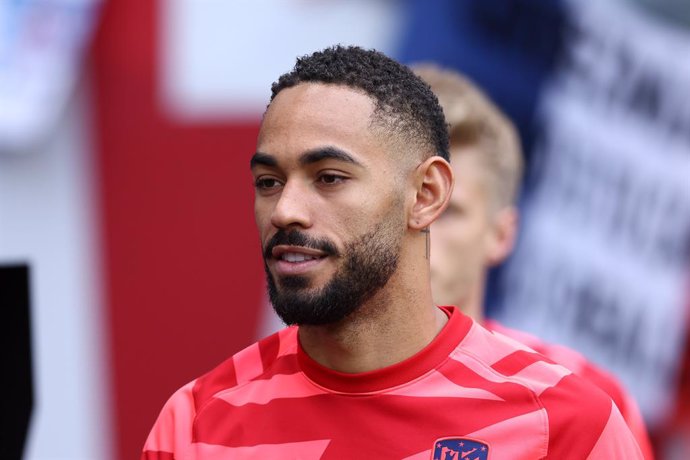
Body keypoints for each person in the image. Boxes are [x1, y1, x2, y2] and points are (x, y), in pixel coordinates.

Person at [141, 45, 642, 459]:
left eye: (329, 178)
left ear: (426, 196)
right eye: (268, 182)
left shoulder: (565, 420)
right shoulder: (196, 423)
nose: (285, 210)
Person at [413, 63, 654, 459]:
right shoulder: (277, 381)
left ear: (501, 234)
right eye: (400, 205)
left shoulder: (585, 404)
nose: (417, 233)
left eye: (448, 212)